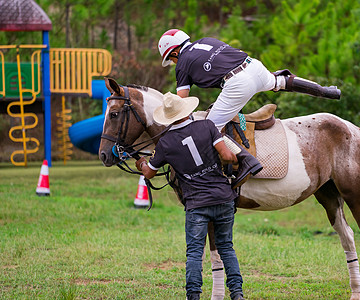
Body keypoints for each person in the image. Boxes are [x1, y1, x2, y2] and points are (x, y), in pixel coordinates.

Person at [157, 28, 340, 185]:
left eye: (171, 60)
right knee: (279, 81)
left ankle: (246, 162)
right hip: (254, 67)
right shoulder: (207, 41)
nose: (173, 63)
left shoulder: (182, 63)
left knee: (209, 129)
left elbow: (181, 103)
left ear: (174, 52)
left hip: (237, 83)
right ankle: (325, 91)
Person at [135, 92, 245, 300]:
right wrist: (230, 158)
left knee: (194, 252)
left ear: (168, 117)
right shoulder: (207, 126)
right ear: (186, 111)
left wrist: (141, 163)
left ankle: (193, 295)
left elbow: (149, 173)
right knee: (226, 247)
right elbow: (227, 156)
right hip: (223, 197)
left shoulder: (165, 143)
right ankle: (237, 293)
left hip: (196, 204)